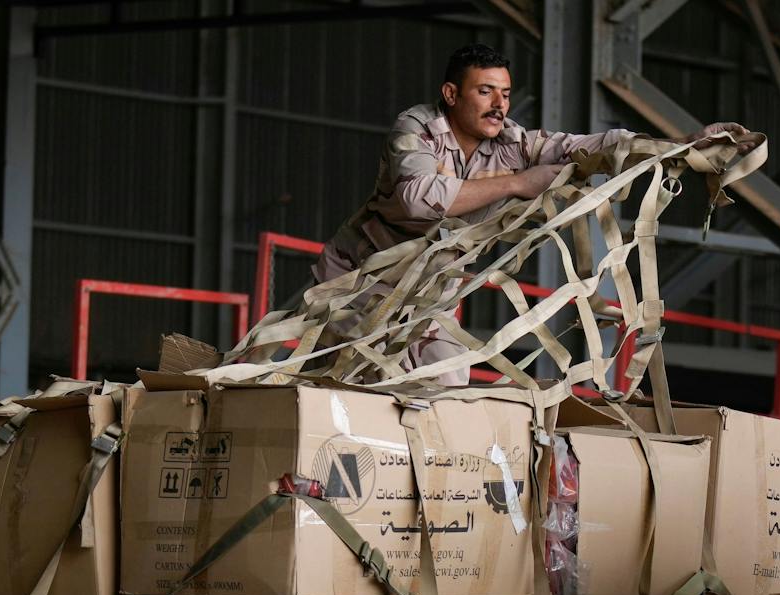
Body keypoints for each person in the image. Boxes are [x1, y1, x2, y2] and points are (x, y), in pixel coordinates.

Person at [315, 42, 753, 384]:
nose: (499, 104)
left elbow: (585, 147)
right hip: (360, 280)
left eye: (504, 94)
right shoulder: (417, 128)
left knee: (444, 383)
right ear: (451, 94)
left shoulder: (512, 141)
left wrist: (682, 144)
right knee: (360, 378)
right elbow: (417, 196)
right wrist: (517, 183)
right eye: (484, 91)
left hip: (431, 294)